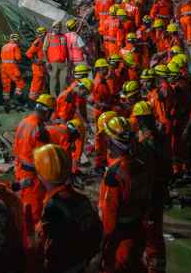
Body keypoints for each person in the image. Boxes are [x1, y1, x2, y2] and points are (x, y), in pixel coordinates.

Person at [34, 143, 102, 273]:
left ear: (40, 176)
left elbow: (41, 248)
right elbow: (96, 232)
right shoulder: (82, 199)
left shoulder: (52, 209)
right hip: (82, 263)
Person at [98, 114, 152, 273]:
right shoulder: (140, 165)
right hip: (136, 232)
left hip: (119, 238)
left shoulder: (115, 174)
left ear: (111, 141)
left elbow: (110, 214)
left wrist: (105, 243)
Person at [130, 101, 171, 273]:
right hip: (158, 188)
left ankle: (154, 265)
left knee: (151, 229)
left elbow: (149, 166)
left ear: (140, 119)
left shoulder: (149, 138)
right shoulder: (157, 135)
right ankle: (155, 262)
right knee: (153, 229)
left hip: (151, 191)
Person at [13, 94, 55, 230]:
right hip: (33, 177)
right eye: (51, 112)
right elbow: (42, 158)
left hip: (20, 170)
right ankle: (32, 243)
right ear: (46, 111)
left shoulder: (24, 121)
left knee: (24, 205)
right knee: (33, 211)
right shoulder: (40, 129)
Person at [0, 33, 25, 110]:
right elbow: (18, 58)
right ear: (17, 39)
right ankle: (15, 101)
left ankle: (6, 103)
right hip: (12, 67)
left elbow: (1, 57)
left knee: (6, 86)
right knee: (20, 84)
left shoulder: (4, 46)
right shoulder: (15, 46)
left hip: (3, 68)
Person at [43, 25, 69, 96]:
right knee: (53, 81)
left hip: (63, 63)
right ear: (53, 28)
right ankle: (53, 98)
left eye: (59, 27)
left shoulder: (64, 36)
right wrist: (47, 62)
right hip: (53, 63)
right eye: (56, 27)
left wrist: (68, 61)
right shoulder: (49, 36)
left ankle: (62, 97)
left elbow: (66, 49)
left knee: (63, 82)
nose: (58, 29)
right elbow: (44, 50)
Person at [26, 27, 49, 101]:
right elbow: (28, 53)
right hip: (37, 68)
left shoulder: (44, 41)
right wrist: (36, 61)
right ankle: (31, 101)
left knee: (41, 85)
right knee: (36, 85)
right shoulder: (38, 42)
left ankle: (39, 100)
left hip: (42, 67)